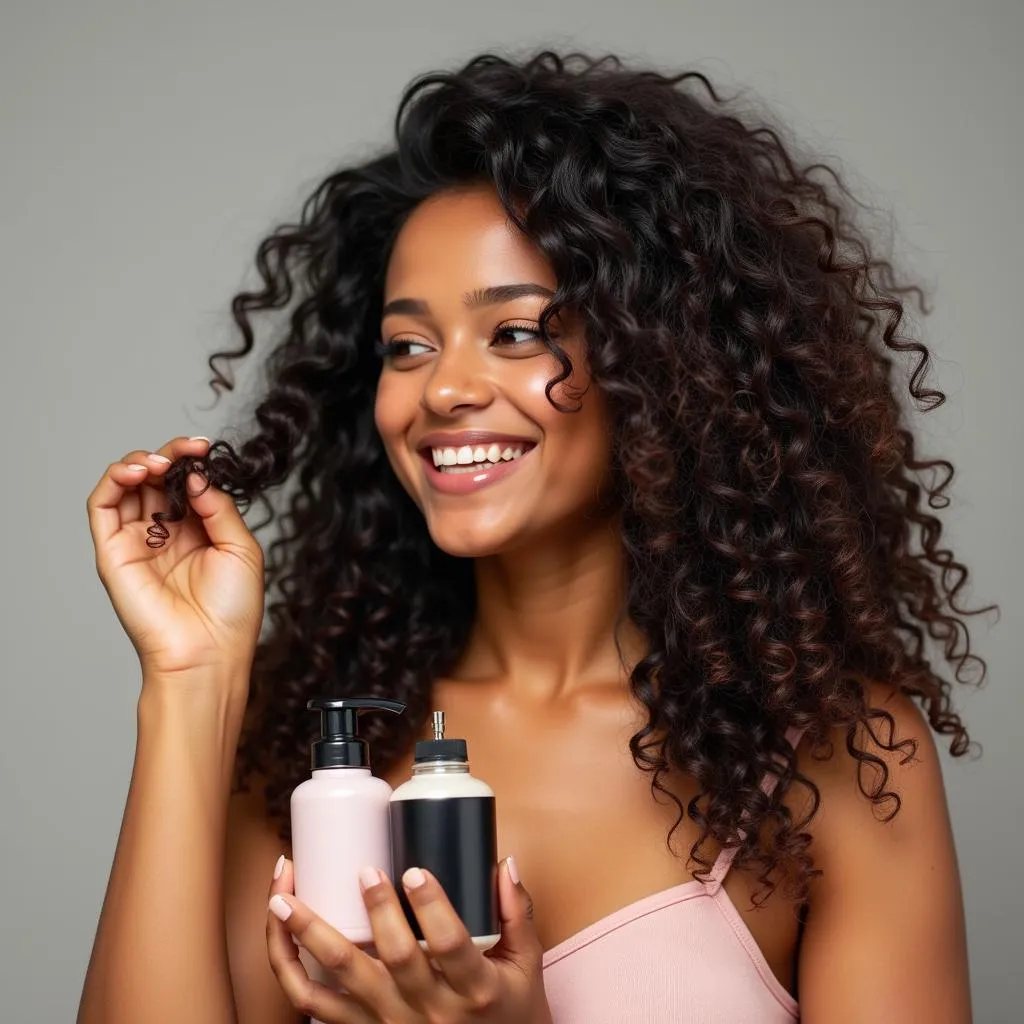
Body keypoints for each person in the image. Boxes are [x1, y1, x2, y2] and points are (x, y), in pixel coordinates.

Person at [78, 50, 982, 1024]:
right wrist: (189, 682)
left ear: (660, 360)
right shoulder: (312, 752)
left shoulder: (837, 757)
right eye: (407, 345)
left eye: (514, 333)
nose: (446, 390)